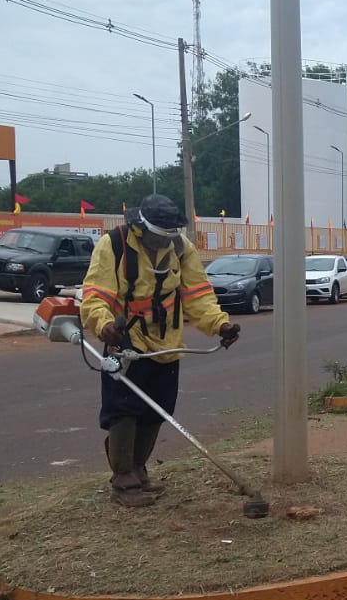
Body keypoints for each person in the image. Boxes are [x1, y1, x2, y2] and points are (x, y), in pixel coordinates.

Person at [80, 194, 240, 507]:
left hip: (167, 344)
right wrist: (104, 325)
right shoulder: (114, 246)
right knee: (124, 410)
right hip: (125, 341)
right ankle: (123, 479)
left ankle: (138, 470)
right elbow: (95, 295)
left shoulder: (181, 249)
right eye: (157, 237)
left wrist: (220, 325)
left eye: (169, 237)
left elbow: (197, 296)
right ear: (141, 228)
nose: (162, 243)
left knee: (157, 410)